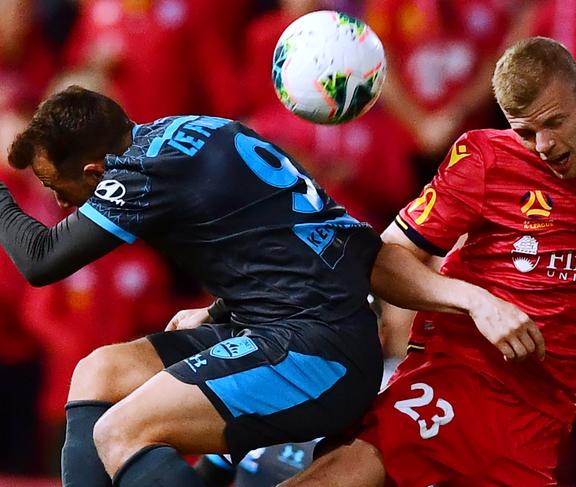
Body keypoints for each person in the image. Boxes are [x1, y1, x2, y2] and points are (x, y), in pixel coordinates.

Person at [280, 36, 576, 487]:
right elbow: (382, 260)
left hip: (542, 418)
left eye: (554, 122)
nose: (545, 146)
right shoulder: (486, 159)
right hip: (462, 370)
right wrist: (476, 302)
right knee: (347, 472)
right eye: (526, 131)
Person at [0, 85, 383, 486]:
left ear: (94, 172)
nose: (61, 204)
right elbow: (273, 240)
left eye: (55, 186)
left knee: (121, 430)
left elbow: (40, 258)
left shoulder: (143, 175)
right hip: (276, 324)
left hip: (315, 351)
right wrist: (217, 310)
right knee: (99, 372)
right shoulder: (184, 133)